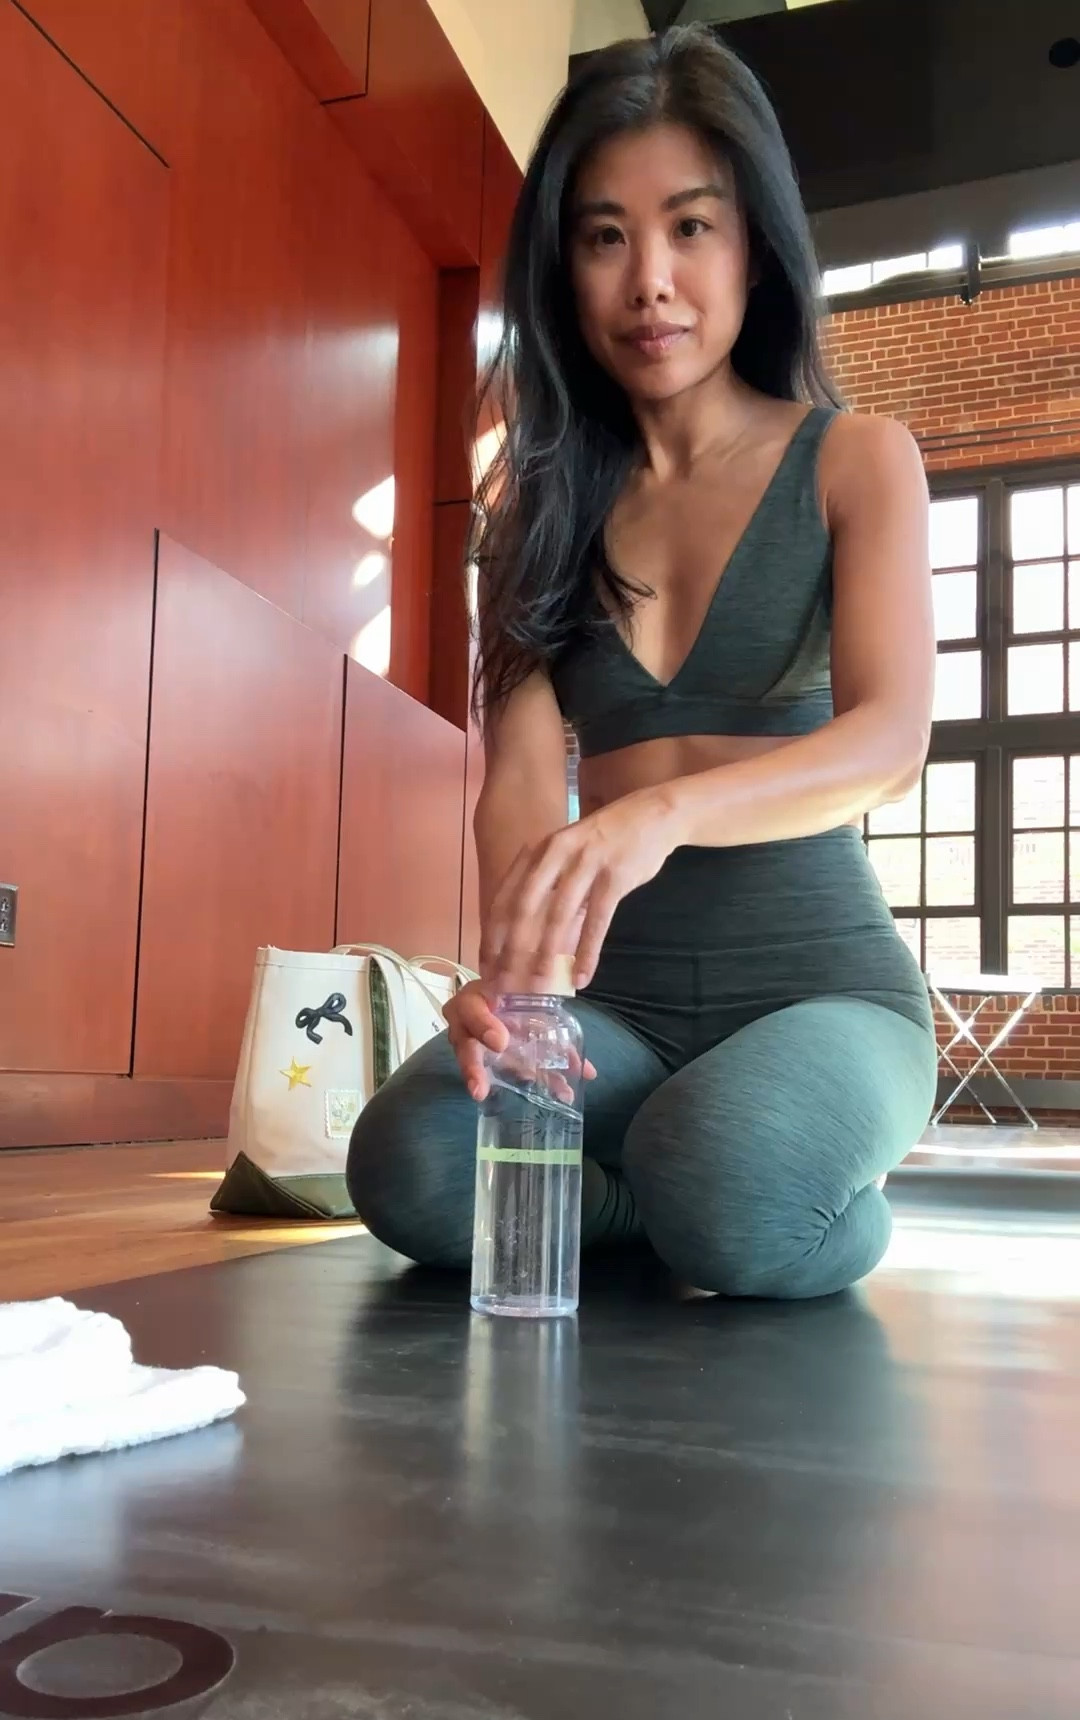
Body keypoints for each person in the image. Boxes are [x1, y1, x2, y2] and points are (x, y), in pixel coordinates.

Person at [347, 24, 938, 1298]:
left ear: (754, 244)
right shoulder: (532, 514)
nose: (649, 282)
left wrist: (657, 816)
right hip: (613, 1005)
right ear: (563, 267)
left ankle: (773, 1181)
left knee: (729, 1171)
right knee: (413, 1164)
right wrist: (514, 983)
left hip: (821, 989)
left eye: (691, 227)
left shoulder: (856, 460)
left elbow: (890, 743)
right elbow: (517, 783)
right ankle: (674, 1192)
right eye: (605, 236)